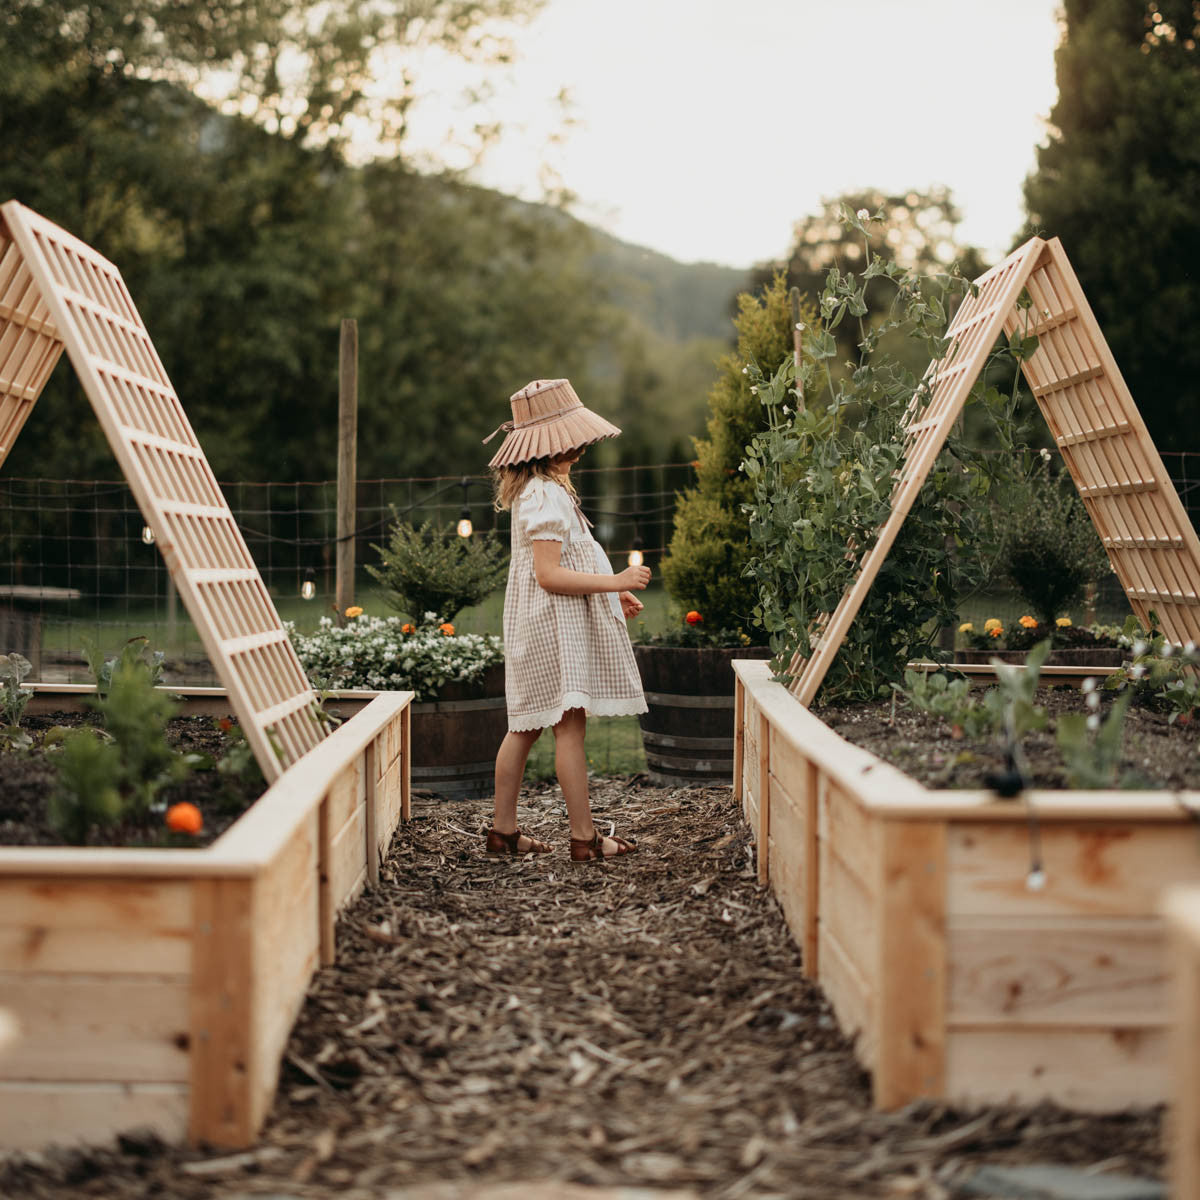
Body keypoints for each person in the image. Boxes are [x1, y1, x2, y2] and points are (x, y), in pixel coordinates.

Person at [482, 378, 650, 862]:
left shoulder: (544, 492)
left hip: (547, 624)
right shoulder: (545, 497)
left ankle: (504, 832)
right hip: (550, 628)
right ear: (549, 445)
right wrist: (617, 581)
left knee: (525, 727)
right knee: (567, 729)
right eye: (570, 441)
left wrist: (609, 597)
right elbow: (550, 576)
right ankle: (585, 839)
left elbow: (572, 563)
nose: (578, 448)